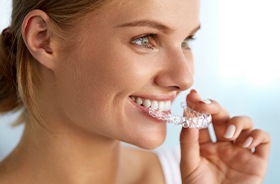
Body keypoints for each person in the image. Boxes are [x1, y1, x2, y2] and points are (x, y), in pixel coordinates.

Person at [0, 0, 271, 183]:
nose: (185, 78)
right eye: (145, 39)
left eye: (187, 40)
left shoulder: (195, 175)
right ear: (44, 38)